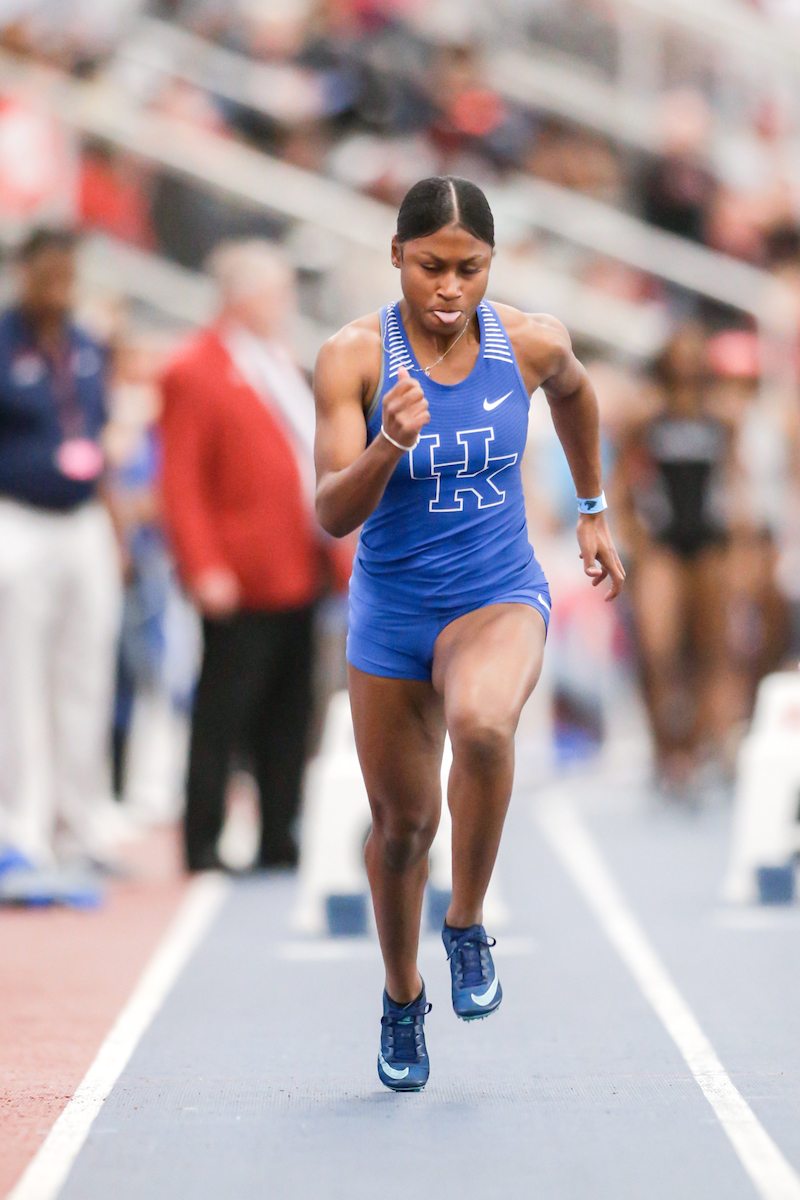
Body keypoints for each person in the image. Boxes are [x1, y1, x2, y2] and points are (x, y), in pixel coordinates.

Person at [314, 176, 624, 1091]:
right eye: (431, 268)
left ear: (492, 266)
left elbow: (576, 395)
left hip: (496, 594)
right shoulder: (353, 358)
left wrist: (595, 507)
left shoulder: (529, 341)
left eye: (470, 270)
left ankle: (468, 921)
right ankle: (404, 997)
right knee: (402, 828)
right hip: (393, 613)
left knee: (485, 725)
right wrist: (385, 446)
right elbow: (332, 513)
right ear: (397, 256)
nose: (449, 290)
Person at [160, 240, 350, 873]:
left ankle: (278, 833)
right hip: (240, 571)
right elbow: (181, 480)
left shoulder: (278, 361)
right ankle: (204, 838)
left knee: (291, 710)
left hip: (298, 564)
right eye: (275, 293)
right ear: (241, 296)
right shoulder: (197, 368)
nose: (285, 305)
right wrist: (202, 564)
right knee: (224, 711)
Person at [0, 227, 124, 869]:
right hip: (18, 520)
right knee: (18, 677)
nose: (58, 289)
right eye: (47, 276)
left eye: (67, 277)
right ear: (24, 272)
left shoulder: (86, 344)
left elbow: (98, 432)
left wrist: (118, 527)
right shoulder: (3, 340)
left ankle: (81, 825)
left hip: (82, 522)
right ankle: (20, 830)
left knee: (87, 674)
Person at [614, 325, 738, 792]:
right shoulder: (647, 417)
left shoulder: (719, 419)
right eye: (678, 355)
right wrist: (634, 539)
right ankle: (666, 748)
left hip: (707, 543)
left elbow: (734, 479)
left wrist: (738, 541)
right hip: (663, 544)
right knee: (660, 649)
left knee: (710, 651)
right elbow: (624, 481)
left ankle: (705, 744)